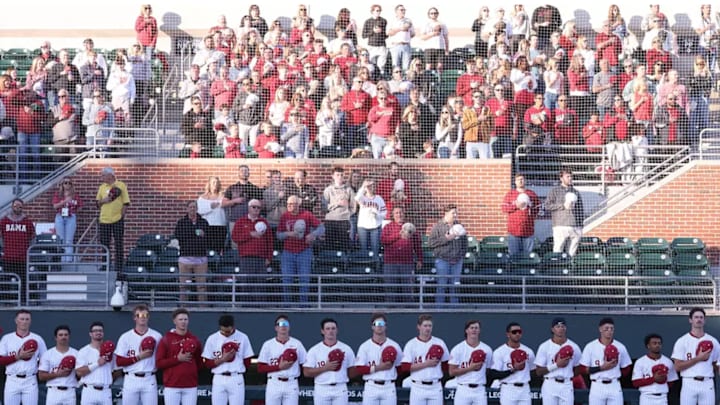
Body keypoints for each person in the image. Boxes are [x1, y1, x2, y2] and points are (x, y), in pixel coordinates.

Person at [278, 195, 325, 303]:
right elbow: (278, 235)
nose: (289, 206)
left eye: (292, 204)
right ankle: (287, 304)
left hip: (304, 251)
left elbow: (321, 227)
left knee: (304, 279)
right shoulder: (284, 216)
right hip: (288, 252)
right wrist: (288, 234)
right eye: (288, 204)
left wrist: (313, 235)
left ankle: (303, 304)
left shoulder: (306, 214)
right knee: (287, 279)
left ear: (298, 204)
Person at [114, 304, 163, 405]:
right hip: (131, 378)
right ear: (134, 318)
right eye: (139, 315)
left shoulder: (157, 336)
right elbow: (119, 362)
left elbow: (162, 358)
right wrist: (139, 357)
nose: (142, 317)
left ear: (148, 317)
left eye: (145, 315)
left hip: (149, 377)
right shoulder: (125, 337)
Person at [201, 314, 254, 405]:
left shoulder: (242, 337)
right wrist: (222, 359)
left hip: (236, 377)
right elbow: (207, 363)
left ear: (233, 326)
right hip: (219, 377)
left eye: (228, 331)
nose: (226, 333)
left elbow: (248, 360)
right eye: (223, 331)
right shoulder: (212, 338)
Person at [671, 307, 719, 405]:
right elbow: (677, 367)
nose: (699, 320)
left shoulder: (713, 341)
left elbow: (717, 364)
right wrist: (698, 358)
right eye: (696, 317)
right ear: (690, 320)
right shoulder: (682, 341)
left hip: (707, 382)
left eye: (701, 317)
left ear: (705, 320)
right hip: (689, 382)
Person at [579, 317, 632, 405]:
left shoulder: (620, 347)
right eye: (606, 328)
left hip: (614, 384)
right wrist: (601, 368)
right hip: (597, 385)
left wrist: (615, 373)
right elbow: (582, 369)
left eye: (611, 329)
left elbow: (626, 368)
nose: (609, 331)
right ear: (600, 329)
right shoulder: (591, 346)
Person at [257, 314, 308, 405]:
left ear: (289, 327)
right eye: (280, 324)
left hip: (291, 382)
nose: (283, 326)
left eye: (285, 323)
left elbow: (305, 364)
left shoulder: (297, 344)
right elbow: (260, 367)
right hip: (274, 382)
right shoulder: (268, 344)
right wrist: (279, 367)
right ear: (276, 328)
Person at [155, 308, 203, 405]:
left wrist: (191, 370)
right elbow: (159, 363)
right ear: (174, 321)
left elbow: (199, 362)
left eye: (185, 319)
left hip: (190, 385)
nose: (183, 322)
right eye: (180, 319)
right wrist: (178, 359)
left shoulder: (194, 340)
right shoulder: (166, 339)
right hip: (172, 385)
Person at [303, 318, 356, 405]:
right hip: (322, 388)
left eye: (333, 328)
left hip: (340, 388)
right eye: (327, 329)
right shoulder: (315, 350)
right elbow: (306, 372)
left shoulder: (346, 349)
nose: (330, 331)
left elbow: (352, 371)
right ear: (322, 331)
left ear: (337, 330)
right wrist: (325, 368)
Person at [0, 309, 47, 405]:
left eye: (27, 319)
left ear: (30, 321)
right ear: (16, 321)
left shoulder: (38, 339)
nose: (24, 322)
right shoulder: (7, 338)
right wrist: (18, 357)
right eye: (22, 319)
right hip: (12, 379)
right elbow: (1, 361)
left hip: (30, 380)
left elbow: (45, 360)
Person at [355, 313, 404, 405]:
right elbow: (359, 369)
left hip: (388, 386)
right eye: (376, 324)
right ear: (372, 327)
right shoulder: (365, 346)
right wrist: (379, 367)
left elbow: (400, 368)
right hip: (371, 386)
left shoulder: (394, 345)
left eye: (381, 324)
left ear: (386, 326)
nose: (379, 326)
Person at [401, 314, 450, 404]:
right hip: (418, 386)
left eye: (430, 326)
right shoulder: (411, 344)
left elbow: (446, 365)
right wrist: (426, 364)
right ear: (419, 327)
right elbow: (405, 367)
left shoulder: (439, 342)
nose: (428, 328)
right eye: (425, 326)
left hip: (435, 386)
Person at [534, 318, 583, 405]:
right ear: (552, 329)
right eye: (558, 326)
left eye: (563, 326)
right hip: (550, 383)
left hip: (566, 384)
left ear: (566, 329)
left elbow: (578, 368)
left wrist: (567, 374)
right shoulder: (545, 346)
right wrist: (557, 365)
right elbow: (538, 371)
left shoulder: (574, 347)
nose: (560, 329)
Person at [428, 204, 468, 306]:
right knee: (442, 285)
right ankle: (439, 308)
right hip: (443, 260)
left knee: (455, 286)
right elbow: (431, 243)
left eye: (456, 213)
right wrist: (446, 239)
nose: (455, 215)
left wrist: (460, 256)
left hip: (457, 261)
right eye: (453, 213)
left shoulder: (459, 226)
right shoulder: (438, 226)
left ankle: (454, 308)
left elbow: (465, 243)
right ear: (446, 213)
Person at [380, 207, 422, 303]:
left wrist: (420, 259)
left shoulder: (410, 227)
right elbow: (383, 240)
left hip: (407, 263)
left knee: (408, 288)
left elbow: (417, 245)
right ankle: (391, 308)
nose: (399, 215)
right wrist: (398, 235)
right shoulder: (388, 227)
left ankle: (408, 309)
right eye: (397, 213)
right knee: (390, 288)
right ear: (393, 215)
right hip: (390, 263)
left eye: (401, 212)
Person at [448, 320, 493, 405]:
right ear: (466, 330)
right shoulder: (458, 349)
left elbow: (487, 371)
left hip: (479, 389)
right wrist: (470, 368)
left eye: (476, 328)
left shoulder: (487, 349)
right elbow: (451, 372)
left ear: (479, 331)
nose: (474, 330)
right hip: (463, 388)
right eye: (471, 328)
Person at [489, 322, 536, 405]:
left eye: (519, 332)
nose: (517, 334)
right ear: (508, 334)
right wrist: (512, 370)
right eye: (514, 332)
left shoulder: (528, 351)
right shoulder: (500, 352)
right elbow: (494, 374)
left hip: (524, 388)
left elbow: (533, 371)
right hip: (508, 388)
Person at [231, 198, 274, 288]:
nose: (256, 209)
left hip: (261, 260)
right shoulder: (241, 221)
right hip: (246, 259)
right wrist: (250, 234)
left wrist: (269, 258)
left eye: (258, 207)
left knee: (260, 287)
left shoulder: (264, 222)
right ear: (249, 208)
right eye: (254, 207)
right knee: (246, 286)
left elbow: (270, 241)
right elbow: (235, 237)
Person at [174, 201, 210, 304]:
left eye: (194, 207)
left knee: (201, 286)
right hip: (185, 259)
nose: (192, 209)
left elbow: (209, 237)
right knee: (183, 286)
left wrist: (193, 233)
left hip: (201, 260)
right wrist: (196, 232)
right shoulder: (181, 222)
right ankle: (183, 307)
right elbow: (179, 235)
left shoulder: (203, 222)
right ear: (187, 209)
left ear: (197, 208)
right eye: (190, 207)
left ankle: (202, 308)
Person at [0, 198, 36, 302]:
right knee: (5, 281)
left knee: (24, 281)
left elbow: (33, 238)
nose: (17, 208)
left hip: (23, 258)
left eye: (19, 206)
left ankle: (24, 301)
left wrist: (28, 249)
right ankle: (5, 301)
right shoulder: (4, 222)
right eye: (15, 206)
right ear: (12, 206)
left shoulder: (28, 222)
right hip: (8, 257)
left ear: (22, 207)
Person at [96, 167, 130, 272]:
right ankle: (105, 264)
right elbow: (97, 204)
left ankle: (119, 266)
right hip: (104, 220)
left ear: (110, 175)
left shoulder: (121, 185)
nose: (102, 177)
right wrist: (103, 201)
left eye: (103, 175)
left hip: (117, 219)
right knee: (105, 243)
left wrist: (121, 216)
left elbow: (126, 202)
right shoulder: (102, 187)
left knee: (118, 243)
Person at [544, 170, 584, 257]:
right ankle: (557, 269)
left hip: (575, 226)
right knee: (558, 250)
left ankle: (570, 269)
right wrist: (562, 206)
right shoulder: (554, 191)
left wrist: (580, 225)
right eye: (567, 177)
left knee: (572, 253)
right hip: (560, 226)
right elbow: (547, 206)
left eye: (571, 177)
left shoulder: (575, 192)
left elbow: (580, 209)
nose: (570, 179)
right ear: (561, 178)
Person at [75, 321, 116, 405]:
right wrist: (97, 364)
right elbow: (79, 372)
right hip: (89, 390)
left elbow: (116, 370)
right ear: (90, 334)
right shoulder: (84, 351)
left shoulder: (111, 351)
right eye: (95, 331)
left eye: (100, 331)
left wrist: (107, 380)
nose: (98, 332)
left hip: (105, 391)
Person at [632, 333, 679, 405]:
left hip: (662, 397)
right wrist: (653, 379)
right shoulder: (640, 362)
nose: (657, 345)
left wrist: (662, 382)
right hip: (647, 397)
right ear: (648, 346)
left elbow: (671, 382)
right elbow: (635, 383)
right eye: (654, 343)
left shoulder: (668, 362)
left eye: (659, 343)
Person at [39, 325, 80, 405]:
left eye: (66, 335)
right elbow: (41, 376)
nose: (63, 337)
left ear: (69, 337)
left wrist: (75, 370)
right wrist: (58, 374)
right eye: (60, 335)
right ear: (56, 338)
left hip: (70, 391)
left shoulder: (76, 354)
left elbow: (80, 375)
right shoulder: (48, 354)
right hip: (53, 391)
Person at [501, 174, 540, 256]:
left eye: (522, 179)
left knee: (528, 256)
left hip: (528, 231)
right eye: (518, 180)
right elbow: (504, 208)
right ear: (515, 182)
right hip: (514, 230)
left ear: (525, 181)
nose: (521, 181)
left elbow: (537, 209)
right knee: (514, 256)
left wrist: (530, 210)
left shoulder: (531, 194)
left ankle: (527, 269)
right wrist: (516, 206)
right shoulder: (510, 194)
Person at [225, 165, 264, 247]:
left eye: (246, 170)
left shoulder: (254, 188)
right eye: (242, 170)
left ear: (249, 173)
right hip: (234, 220)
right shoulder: (232, 188)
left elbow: (262, 205)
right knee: (235, 244)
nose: (244, 172)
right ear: (238, 173)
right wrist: (235, 200)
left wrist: (254, 204)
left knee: (250, 243)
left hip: (251, 221)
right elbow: (223, 203)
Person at [322, 167, 356, 252]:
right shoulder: (328, 190)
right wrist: (337, 204)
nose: (340, 177)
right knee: (330, 245)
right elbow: (324, 207)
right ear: (333, 176)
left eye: (341, 175)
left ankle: (343, 263)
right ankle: (330, 263)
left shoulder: (348, 190)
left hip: (344, 221)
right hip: (330, 221)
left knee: (344, 245)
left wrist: (347, 214)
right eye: (337, 175)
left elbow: (353, 207)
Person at [52, 178, 83, 263]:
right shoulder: (58, 194)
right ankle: (61, 260)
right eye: (65, 183)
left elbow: (80, 206)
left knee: (69, 240)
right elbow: (55, 206)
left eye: (69, 183)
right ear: (62, 184)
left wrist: (73, 211)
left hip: (71, 217)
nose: (67, 184)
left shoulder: (75, 195)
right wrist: (64, 201)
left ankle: (68, 260)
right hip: (60, 216)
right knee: (61, 239)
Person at [354, 179, 387, 256]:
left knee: (375, 248)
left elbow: (384, 213)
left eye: (371, 186)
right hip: (362, 226)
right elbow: (356, 198)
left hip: (375, 226)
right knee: (363, 249)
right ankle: (365, 266)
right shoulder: (362, 198)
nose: (369, 187)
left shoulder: (379, 198)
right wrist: (363, 186)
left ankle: (375, 265)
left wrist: (377, 214)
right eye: (368, 186)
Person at [197, 176, 229, 253]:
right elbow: (199, 211)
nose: (215, 184)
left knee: (218, 248)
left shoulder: (223, 197)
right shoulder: (202, 198)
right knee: (207, 248)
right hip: (207, 226)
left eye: (217, 183)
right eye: (213, 182)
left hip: (220, 226)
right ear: (209, 184)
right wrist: (210, 207)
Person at [362, 5, 389, 77]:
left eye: (379, 10)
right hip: (371, 46)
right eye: (376, 10)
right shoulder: (368, 21)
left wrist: (381, 31)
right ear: (372, 11)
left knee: (381, 66)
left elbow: (387, 35)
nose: (378, 12)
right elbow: (363, 35)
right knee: (371, 66)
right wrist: (373, 31)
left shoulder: (384, 21)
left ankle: (381, 79)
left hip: (381, 46)